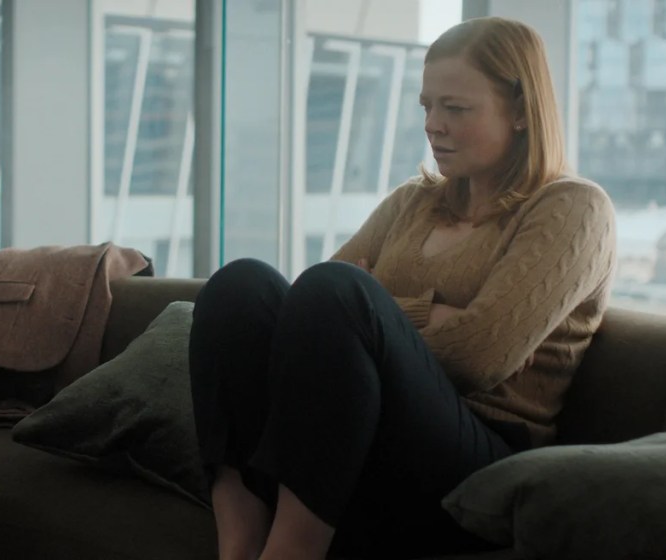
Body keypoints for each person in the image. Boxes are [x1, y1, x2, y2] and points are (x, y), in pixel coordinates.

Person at [189, 16, 616, 560]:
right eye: (426, 106)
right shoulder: (414, 201)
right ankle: (240, 543)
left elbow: (478, 356)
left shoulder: (573, 208)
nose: (433, 125)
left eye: (455, 108)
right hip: (362, 439)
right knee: (239, 287)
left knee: (340, 295)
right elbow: (309, 319)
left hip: (480, 463)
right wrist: (434, 316)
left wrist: (378, 315)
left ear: (520, 111)